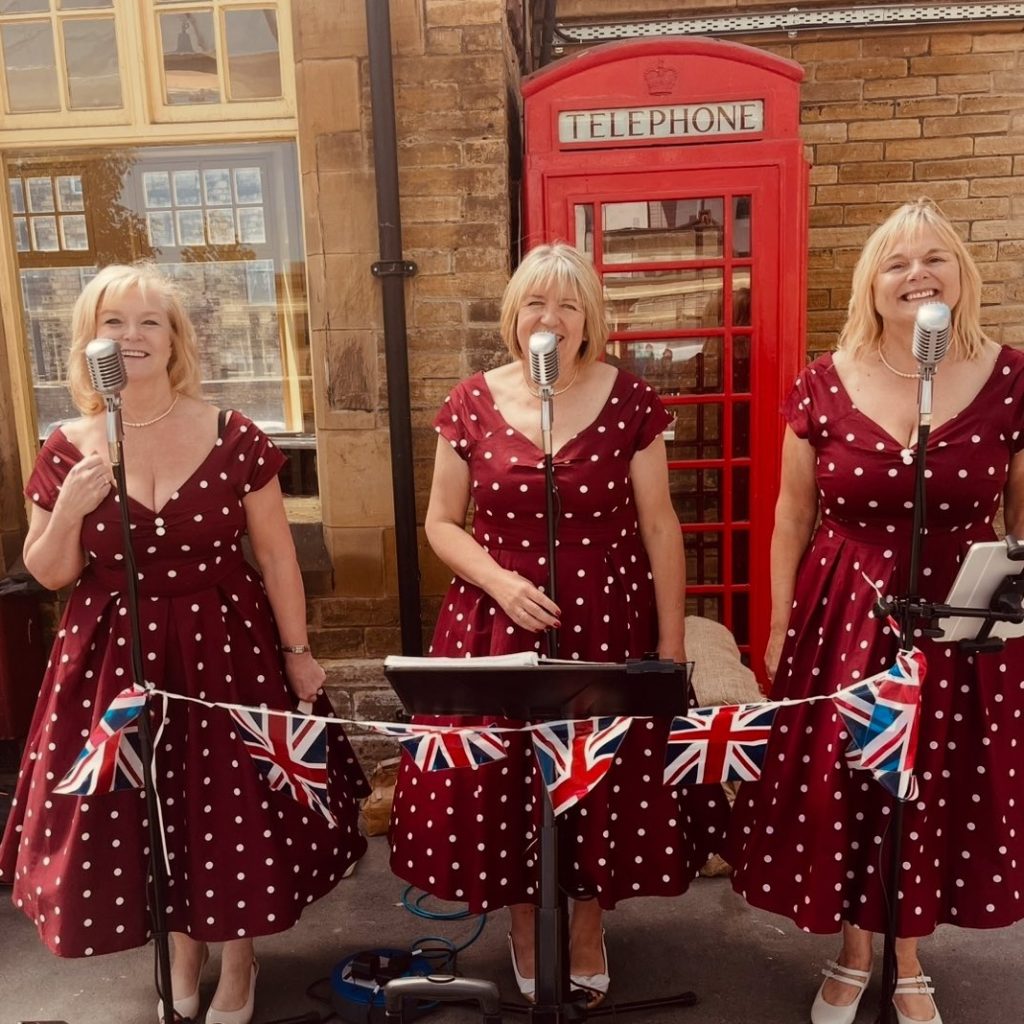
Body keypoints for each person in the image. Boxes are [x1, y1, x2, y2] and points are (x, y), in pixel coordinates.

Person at [0, 264, 368, 1024]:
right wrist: (69, 506)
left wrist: (297, 652)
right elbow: (49, 570)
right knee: (147, 803)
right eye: (113, 323)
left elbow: (274, 557)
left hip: (226, 646)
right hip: (112, 656)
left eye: (149, 323)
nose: (131, 337)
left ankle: (240, 955)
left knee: (230, 807)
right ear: (89, 341)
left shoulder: (234, 434)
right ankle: (180, 944)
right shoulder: (67, 446)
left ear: (175, 341)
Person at [388, 242, 728, 1006]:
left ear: (589, 322)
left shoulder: (632, 400)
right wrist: (501, 582)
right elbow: (441, 522)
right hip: (496, 617)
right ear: (516, 317)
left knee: (596, 777)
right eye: (537, 303)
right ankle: (521, 919)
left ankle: (586, 921)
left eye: (569, 305)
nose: (552, 317)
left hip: (607, 613)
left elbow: (661, 526)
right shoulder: (470, 401)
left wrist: (670, 646)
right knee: (508, 779)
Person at [728, 198, 1024, 1024]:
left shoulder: (1012, 376)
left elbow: (1023, 520)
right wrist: (780, 622)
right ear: (872, 284)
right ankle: (853, 949)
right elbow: (790, 516)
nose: (917, 274)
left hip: (963, 619)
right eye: (896, 262)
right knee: (850, 782)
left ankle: (909, 954)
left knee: (937, 783)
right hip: (845, 613)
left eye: (934, 258)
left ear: (962, 275)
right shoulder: (822, 383)